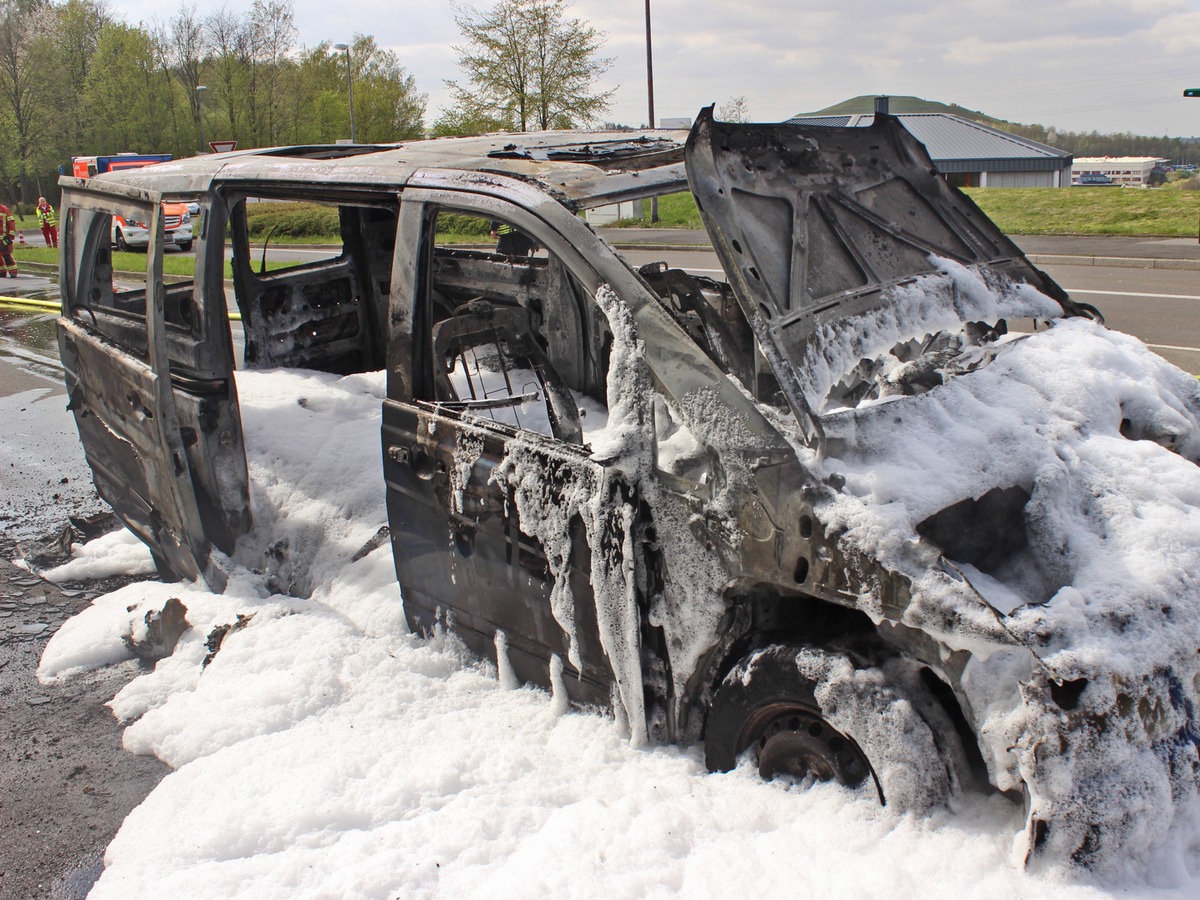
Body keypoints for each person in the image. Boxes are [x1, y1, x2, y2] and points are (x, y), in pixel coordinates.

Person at [0, 203, 17, 277]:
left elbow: (11, 223)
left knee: (6, 254)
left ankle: (13, 271)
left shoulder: (4, 209)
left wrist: (9, 237)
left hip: (3, 237)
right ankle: (2, 272)